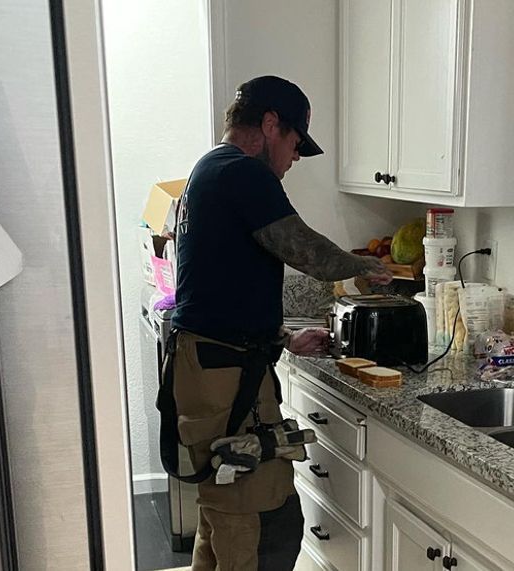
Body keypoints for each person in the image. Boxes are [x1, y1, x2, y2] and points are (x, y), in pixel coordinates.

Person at [164, 75, 392, 571]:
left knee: (223, 513)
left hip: (214, 367)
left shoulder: (209, 169)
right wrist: (371, 268)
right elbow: (304, 249)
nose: (291, 160)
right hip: (224, 378)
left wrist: (284, 337)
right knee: (262, 523)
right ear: (269, 125)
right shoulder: (242, 173)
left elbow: (218, 290)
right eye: (293, 144)